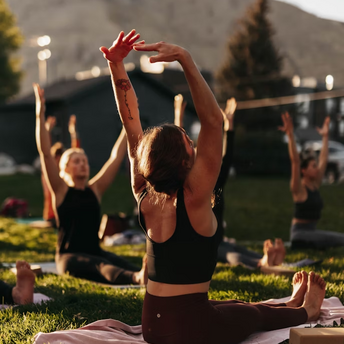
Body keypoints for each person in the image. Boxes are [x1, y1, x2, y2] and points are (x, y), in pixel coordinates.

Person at [101, 29, 326, 344]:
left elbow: (130, 121)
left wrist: (116, 65)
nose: (194, 146)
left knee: (232, 305)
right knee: (252, 316)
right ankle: (307, 312)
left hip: (153, 326)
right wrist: (185, 58)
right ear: (183, 161)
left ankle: (289, 304)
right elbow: (213, 121)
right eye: (189, 144)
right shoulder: (193, 197)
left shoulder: (143, 192)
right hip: (187, 332)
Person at [34, 82, 146, 285]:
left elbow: (116, 156)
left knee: (120, 261)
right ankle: (137, 279)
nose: (83, 164)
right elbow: (45, 152)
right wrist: (39, 114)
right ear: (65, 168)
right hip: (69, 257)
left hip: (95, 251)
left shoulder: (95, 188)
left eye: (84, 161)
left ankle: (146, 276)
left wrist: (129, 118)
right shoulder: (60, 190)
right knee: (101, 266)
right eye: (76, 161)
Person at [174, 94, 285, 268]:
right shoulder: (187, 187)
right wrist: (178, 117)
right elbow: (176, 151)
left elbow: (227, 157)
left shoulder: (215, 182)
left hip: (220, 240)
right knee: (230, 255)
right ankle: (261, 262)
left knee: (235, 248)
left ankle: (271, 259)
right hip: (202, 245)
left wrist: (229, 125)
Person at [279, 112, 344, 249]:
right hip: (300, 234)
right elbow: (295, 161)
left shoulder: (315, 184)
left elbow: (324, 159)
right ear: (304, 170)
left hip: (312, 231)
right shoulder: (299, 189)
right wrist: (290, 135)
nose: (316, 169)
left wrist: (325, 136)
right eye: (313, 166)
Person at [41, 115, 81, 227]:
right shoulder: (49, 175)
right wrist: (47, 131)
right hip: (51, 217)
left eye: (60, 156)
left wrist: (73, 132)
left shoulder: (66, 174)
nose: (58, 160)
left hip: (65, 215)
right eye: (56, 157)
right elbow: (45, 151)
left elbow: (75, 152)